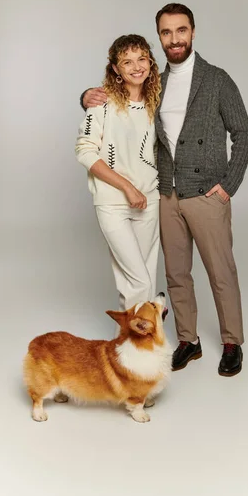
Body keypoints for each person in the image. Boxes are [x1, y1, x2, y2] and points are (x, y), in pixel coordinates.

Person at [81, 3, 248, 377]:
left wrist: (228, 186)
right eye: (166, 32)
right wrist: (86, 96)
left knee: (220, 271)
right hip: (167, 194)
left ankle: (231, 343)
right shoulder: (156, 82)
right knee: (176, 273)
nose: (174, 39)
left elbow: (244, 133)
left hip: (208, 193)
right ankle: (188, 340)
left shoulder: (216, 79)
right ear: (159, 37)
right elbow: (119, 100)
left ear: (193, 32)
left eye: (181, 30)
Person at [75, 34, 161, 311]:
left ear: (150, 61)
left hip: (150, 199)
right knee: (138, 280)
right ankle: (138, 344)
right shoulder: (101, 102)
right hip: (113, 202)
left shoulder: (156, 101)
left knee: (139, 279)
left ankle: (129, 347)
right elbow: (85, 150)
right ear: (115, 69)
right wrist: (126, 187)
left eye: (141, 59)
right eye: (127, 62)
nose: (137, 67)